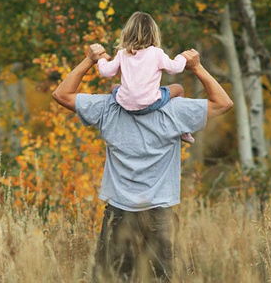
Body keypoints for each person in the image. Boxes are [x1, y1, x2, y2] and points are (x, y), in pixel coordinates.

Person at [52, 43, 233, 281]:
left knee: (111, 278)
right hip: (158, 214)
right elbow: (223, 103)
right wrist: (197, 67)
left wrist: (89, 61)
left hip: (118, 213)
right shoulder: (174, 111)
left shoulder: (108, 108)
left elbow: (61, 95)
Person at [96, 11, 195, 143]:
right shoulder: (156, 53)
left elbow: (106, 72)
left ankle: (116, 120)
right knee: (179, 89)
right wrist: (182, 57)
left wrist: (101, 60)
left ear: (127, 33)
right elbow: (175, 68)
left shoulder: (122, 54)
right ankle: (183, 129)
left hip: (125, 103)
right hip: (151, 103)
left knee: (114, 87)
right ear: (153, 34)